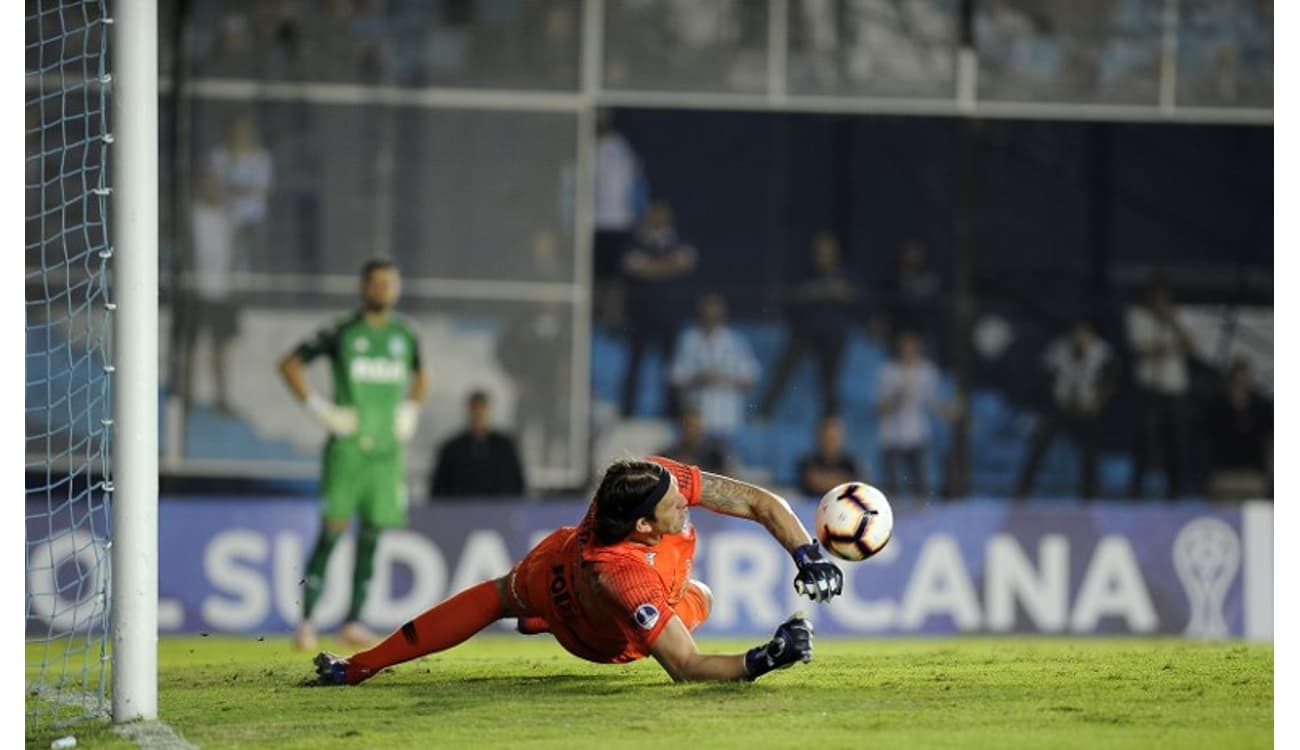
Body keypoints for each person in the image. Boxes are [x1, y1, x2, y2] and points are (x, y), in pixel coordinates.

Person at [312, 456, 841, 685]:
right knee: (698, 596)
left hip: (560, 558)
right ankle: (360, 666)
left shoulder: (652, 479)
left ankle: (539, 617)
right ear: (641, 526)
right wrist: (764, 658)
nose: (688, 500)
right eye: (675, 504)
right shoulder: (627, 578)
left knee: (699, 590)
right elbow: (686, 667)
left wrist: (806, 550)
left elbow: (755, 501)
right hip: (594, 630)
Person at [278, 259, 427, 650]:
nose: (383, 290)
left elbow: (421, 374)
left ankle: (354, 620)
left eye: (389, 283)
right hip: (347, 450)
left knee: (373, 536)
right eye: (376, 283)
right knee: (332, 534)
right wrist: (321, 410)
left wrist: (411, 409)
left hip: (386, 452)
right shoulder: (342, 331)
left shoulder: (405, 334)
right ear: (363, 287)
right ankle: (307, 620)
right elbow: (290, 364)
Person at [758, 232, 860, 420]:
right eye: (819, 252)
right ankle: (763, 414)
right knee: (783, 369)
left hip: (833, 336)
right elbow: (792, 296)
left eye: (827, 252)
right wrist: (819, 291)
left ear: (835, 254)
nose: (823, 257)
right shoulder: (803, 273)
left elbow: (854, 296)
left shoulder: (845, 273)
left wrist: (831, 291)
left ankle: (831, 421)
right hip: (805, 332)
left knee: (829, 382)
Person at [1014, 319, 1116, 500]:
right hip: (1060, 406)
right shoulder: (1058, 349)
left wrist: (1098, 402)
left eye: (1084, 333)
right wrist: (1051, 401)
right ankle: (1023, 490)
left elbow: (1110, 380)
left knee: (1091, 449)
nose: (1080, 337)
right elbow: (1044, 376)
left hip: (1086, 407)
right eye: (1077, 333)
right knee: (1041, 442)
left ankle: (1091, 492)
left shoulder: (1101, 350)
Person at [620, 200, 696, 418]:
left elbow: (687, 261)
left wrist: (650, 267)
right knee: (635, 364)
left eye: (663, 216)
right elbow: (634, 266)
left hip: (669, 315)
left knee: (672, 367)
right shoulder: (634, 240)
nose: (658, 220)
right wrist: (669, 266)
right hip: (640, 314)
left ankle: (672, 411)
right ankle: (628, 410)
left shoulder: (679, 239)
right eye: (655, 215)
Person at [1125, 277, 1193, 499]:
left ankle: (1174, 493)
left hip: (1174, 391)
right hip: (1150, 390)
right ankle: (1136, 493)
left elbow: (1191, 344)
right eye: (1156, 297)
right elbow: (1144, 351)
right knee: (1145, 442)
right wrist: (1172, 345)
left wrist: (1171, 322)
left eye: (1165, 297)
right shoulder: (1138, 316)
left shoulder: (1177, 316)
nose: (1161, 301)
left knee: (1175, 443)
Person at [180, 169, 240, 416]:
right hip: (196, 290)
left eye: (215, 184)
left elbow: (234, 254)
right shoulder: (191, 216)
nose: (212, 189)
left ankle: (222, 398)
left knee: (220, 348)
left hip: (221, 292)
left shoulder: (227, 217)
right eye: (207, 184)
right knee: (191, 346)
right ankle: (187, 397)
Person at [874, 331, 954, 499]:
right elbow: (879, 408)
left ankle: (921, 519)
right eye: (904, 347)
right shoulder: (889, 371)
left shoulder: (927, 371)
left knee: (921, 485)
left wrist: (948, 412)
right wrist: (897, 400)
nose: (908, 351)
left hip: (917, 434)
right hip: (892, 436)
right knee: (893, 486)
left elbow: (932, 401)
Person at [668, 293, 759, 442]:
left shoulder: (735, 341)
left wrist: (722, 378)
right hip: (694, 420)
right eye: (706, 315)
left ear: (723, 316)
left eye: (714, 316)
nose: (710, 319)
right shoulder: (688, 340)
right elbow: (675, 377)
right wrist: (698, 378)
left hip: (725, 418)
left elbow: (750, 377)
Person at [429, 390, 527, 498]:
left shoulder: (505, 447)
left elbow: (517, 486)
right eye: (475, 408)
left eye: (483, 408)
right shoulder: (452, 449)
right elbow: (439, 489)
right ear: (469, 410)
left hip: (499, 511)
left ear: (489, 411)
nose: (479, 413)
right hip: (460, 512)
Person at [209, 115, 272, 270]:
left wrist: (233, 189)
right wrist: (245, 189)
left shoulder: (261, 157)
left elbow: (263, 190)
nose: (240, 136)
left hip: (253, 220)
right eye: (237, 132)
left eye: (245, 132)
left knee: (254, 263)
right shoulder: (219, 155)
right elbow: (212, 187)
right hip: (223, 218)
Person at [1205, 358, 1272, 501]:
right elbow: (1209, 436)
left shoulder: (1260, 406)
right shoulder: (1218, 405)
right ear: (1231, 379)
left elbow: (1268, 440)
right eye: (1238, 379)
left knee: (1257, 516)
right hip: (1224, 473)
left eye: (1245, 378)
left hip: (1253, 473)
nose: (1241, 382)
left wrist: (1269, 469)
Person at [797, 415, 860, 499]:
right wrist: (841, 480)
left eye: (833, 437)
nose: (830, 441)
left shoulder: (851, 464)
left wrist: (822, 480)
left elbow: (858, 488)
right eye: (826, 436)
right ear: (819, 437)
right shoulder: (807, 462)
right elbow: (810, 482)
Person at [657, 406, 732, 474]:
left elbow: (725, 478)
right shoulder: (669, 454)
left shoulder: (715, 454)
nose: (691, 430)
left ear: (701, 427)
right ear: (681, 428)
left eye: (694, 426)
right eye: (688, 426)